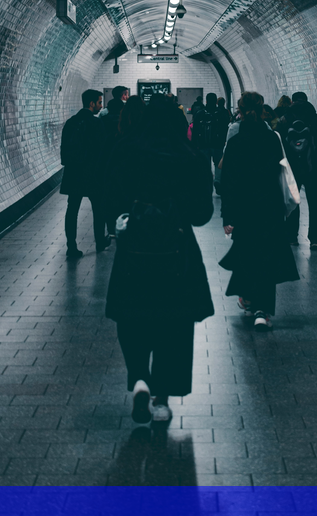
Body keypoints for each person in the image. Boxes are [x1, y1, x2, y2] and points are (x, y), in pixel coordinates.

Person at [105, 97, 214, 423]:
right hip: (177, 253)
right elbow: (201, 214)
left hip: (134, 251)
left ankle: (140, 378)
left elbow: (109, 198)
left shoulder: (125, 150)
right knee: (174, 322)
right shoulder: (190, 156)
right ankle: (162, 399)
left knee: (133, 316)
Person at [219, 91, 299, 330]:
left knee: (247, 255)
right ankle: (262, 311)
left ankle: (248, 299)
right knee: (266, 257)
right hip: (269, 207)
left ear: (240, 111)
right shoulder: (272, 139)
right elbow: (281, 171)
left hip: (244, 209)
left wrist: (227, 216)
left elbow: (228, 182)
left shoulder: (235, 142)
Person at [276, 92, 317, 249]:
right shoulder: (316, 119)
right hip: (313, 168)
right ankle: (315, 239)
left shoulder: (285, 119)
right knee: (316, 204)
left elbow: (277, 143)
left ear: (292, 101)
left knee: (293, 202)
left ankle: (292, 236)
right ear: (307, 101)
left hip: (291, 169)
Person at [59, 89, 109, 259]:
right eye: (99, 102)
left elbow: (64, 149)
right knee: (98, 209)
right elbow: (103, 150)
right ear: (91, 103)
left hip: (74, 173)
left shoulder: (70, 123)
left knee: (72, 209)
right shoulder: (97, 124)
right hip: (93, 174)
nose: (101, 106)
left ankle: (71, 246)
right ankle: (100, 241)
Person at [191, 93, 230, 194]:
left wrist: (194, 144)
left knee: (205, 164)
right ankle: (217, 180)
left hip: (203, 144)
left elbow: (195, 130)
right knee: (218, 163)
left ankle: (206, 183)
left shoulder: (200, 113)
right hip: (217, 144)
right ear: (216, 101)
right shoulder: (221, 113)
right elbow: (225, 127)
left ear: (206, 101)